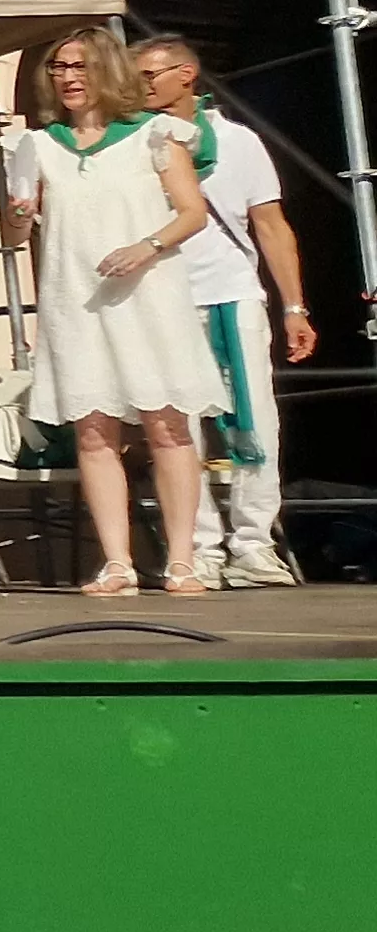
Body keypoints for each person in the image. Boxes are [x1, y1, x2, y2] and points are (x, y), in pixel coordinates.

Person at [10, 25, 229, 597]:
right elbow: (15, 232)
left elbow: (191, 213)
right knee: (94, 431)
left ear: (106, 70)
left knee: (166, 424)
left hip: (147, 296)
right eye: (58, 68)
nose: (67, 79)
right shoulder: (40, 144)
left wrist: (145, 247)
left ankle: (182, 560)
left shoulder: (157, 134)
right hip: (75, 300)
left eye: (79, 67)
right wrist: (18, 213)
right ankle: (117, 562)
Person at [135, 35, 318, 587]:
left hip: (230, 293)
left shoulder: (239, 144)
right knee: (176, 427)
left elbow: (269, 225)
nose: (141, 86)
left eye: (150, 75)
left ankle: (254, 543)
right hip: (161, 296)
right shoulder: (132, 143)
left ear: (186, 73)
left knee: (255, 418)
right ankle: (199, 548)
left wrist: (294, 306)